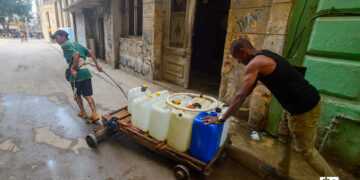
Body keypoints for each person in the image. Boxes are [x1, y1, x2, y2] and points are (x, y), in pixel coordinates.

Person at [201, 38, 336, 178]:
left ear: (243, 51)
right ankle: (281, 174)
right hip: (291, 106)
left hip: (303, 108)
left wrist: (221, 118)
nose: (239, 62)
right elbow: (246, 90)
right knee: (284, 138)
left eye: (237, 58)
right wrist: (231, 102)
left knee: (306, 151)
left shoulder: (254, 64)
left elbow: (241, 96)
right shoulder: (264, 54)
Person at [51, 30, 103, 123]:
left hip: (77, 74)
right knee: (87, 95)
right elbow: (90, 52)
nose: (56, 40)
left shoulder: (65, 45)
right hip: (86, 72)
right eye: (55, 39)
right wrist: (98, 65)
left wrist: (73, 69)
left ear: (64, 37)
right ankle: (94, 114)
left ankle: (83, 112)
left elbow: (76, 54)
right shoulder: (76, 44)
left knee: (77, 94)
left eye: (57, 38)